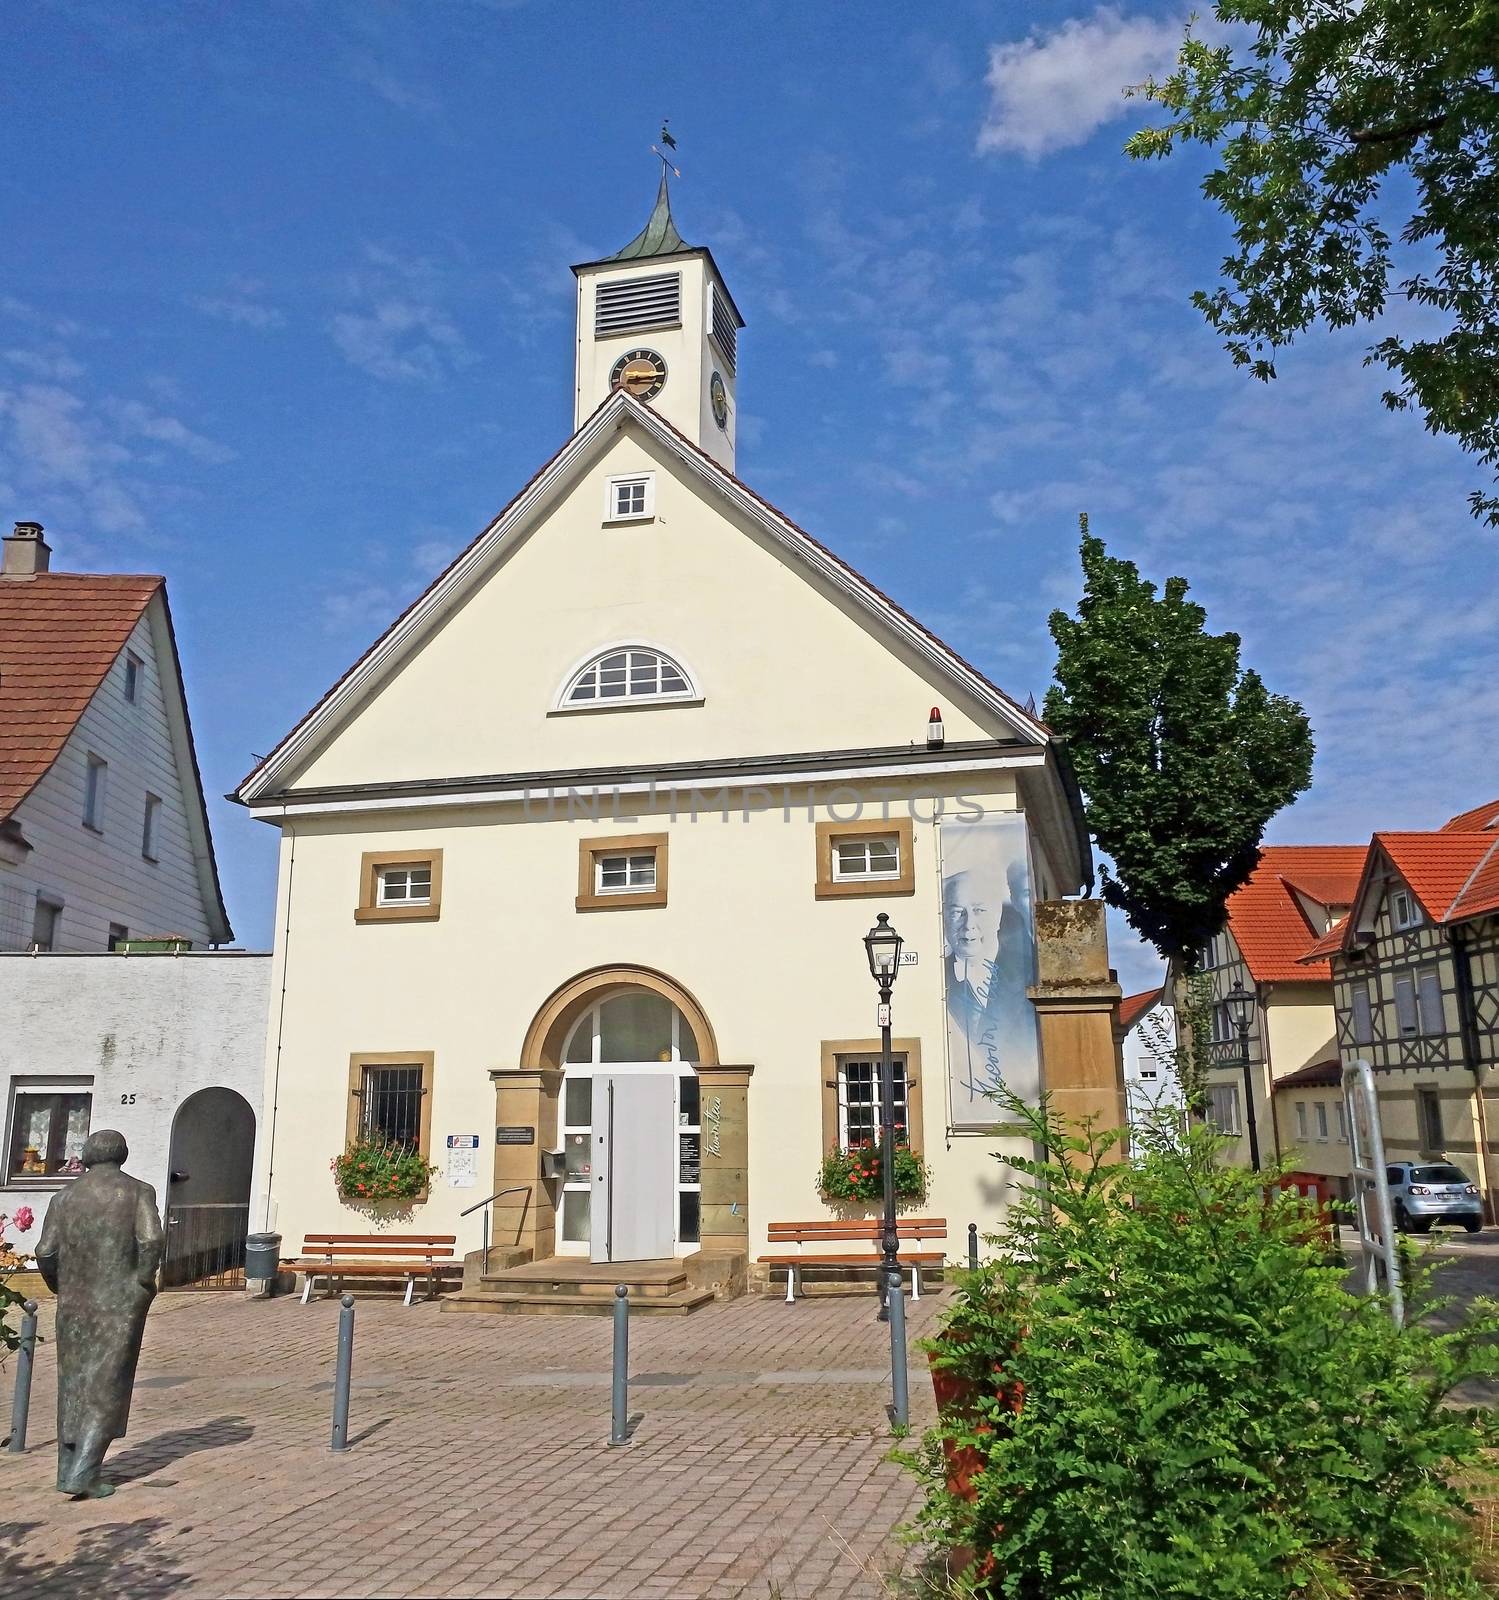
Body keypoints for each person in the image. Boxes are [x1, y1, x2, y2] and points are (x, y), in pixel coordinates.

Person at [34, 1129, 164, 1498]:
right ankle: (85, 1473)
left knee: (73, 1385)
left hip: (74, 1304)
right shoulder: (137, 1191)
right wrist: (141, 1281)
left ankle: (65, 1470)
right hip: (120, 1301)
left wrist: (60, 1285)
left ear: (88, 1155)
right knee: (108, 1383)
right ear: (121, 1154)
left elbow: (45, 1251)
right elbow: (151, 1239)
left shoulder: (64, 1197)